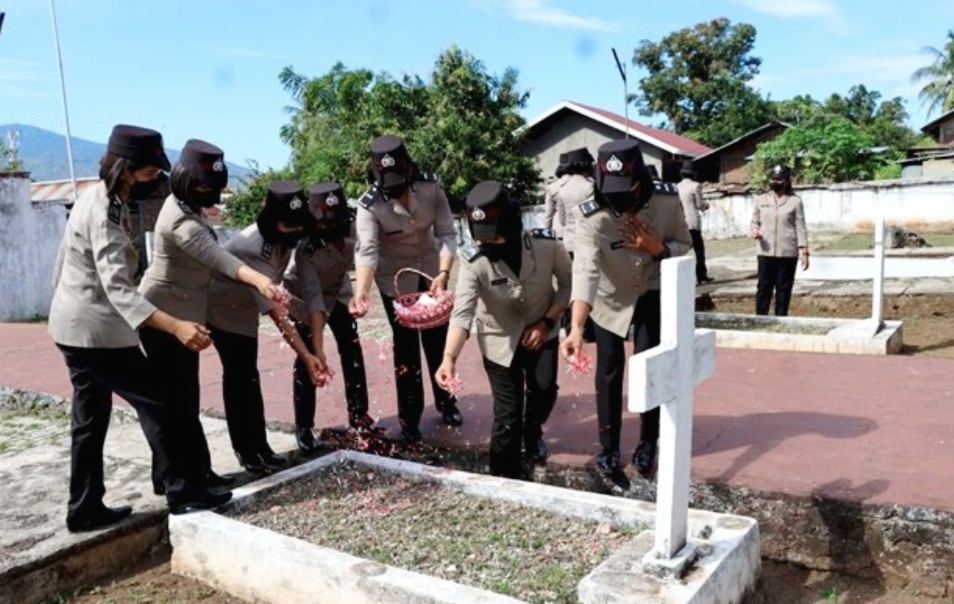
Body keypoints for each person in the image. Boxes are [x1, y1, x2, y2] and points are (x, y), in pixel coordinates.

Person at [48, 125, 232, 531]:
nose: (155, 177)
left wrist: (62, 313)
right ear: (127, 168)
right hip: (96, 332)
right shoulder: (106, 213)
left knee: (90, 418)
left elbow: (62, 267)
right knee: (160, 403)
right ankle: (184, 496)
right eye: (149, 170)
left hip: (71, 325)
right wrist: (177, 327)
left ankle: (84, 508)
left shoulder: (96, 197)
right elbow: (118, 289)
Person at [138, 139, 281, 493]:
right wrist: (260, 279)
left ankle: (184, 473)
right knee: (179, 401)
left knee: (183, 398)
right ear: (187, 180)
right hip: (164, 316)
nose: (211, 195)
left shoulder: (186, 205)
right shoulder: (179, 221)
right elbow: (219, 258)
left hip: (185, 312)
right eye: (205, 186)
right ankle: (189, 477)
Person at [559, 139, 691, 490]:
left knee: (650, 366)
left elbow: (687, 249)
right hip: (609, 297)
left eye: (626, 190)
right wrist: (575, 328)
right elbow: (585, 270)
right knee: (608, 372)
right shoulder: (590, 214)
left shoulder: (665, 200)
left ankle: (648, 441)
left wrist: (658, 248)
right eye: (610, 190)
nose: (618, 199)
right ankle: (608, 447)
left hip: (651, 289)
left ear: (639, 181)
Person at [435, 181, 571, 479]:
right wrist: (449, 359)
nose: (488, 243)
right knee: (507, 414)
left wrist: (548, 321)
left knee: (544, 391)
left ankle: (532, 431)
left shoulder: (546, 245)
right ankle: (502, 477)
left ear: (511, 225)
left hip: (541, 330)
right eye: (482, 237)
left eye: (494, 236)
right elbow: (462, 314)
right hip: (498, 340)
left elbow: (570, 284)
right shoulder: (474, 262)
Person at [206, 181, 326, 473]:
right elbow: (277, 314)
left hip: (246, 309)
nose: (296, 231)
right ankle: (246, 451)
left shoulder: (285, 238)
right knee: (238, 378)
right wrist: (307, 354)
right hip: (223, 311)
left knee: (250, 377)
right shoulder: (253, 248)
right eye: (290, 225)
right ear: (273, 222)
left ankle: (260, 446)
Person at [349, 135, 461, 443]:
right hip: (394, 282)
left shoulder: (431, 188)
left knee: (439, 342)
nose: (396, 191)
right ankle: (409, 417)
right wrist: (361, 291)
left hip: (432, 272)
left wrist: (443, 272)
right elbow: (367, 251)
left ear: (409, 168)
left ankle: (447, 401)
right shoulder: (368, 205)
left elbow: (448, 233)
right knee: (406, 350)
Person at [284, 182, 372, 454]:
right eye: (325, 224)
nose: (332, 229)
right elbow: (314, 299)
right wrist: (319, 351)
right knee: (308, 358)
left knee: (352, 349)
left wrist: (360, 295)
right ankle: (304, 427)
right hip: (304, 298)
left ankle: (359, 418)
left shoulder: (353, 227)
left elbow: (366, 256)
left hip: (339, 290)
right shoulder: (305, 248)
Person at [750, 164, 809, 316]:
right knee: (764, 287)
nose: (776, 182)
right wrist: (754, 230)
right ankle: (760, 319)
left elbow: (800, 227)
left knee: (783, 289)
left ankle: (781, 319)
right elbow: (755, 220)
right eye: (773, 179)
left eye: (780, 179)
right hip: (765, 250)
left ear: (787, 181)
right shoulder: (761, 199)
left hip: (787, 252)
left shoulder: (795, 201)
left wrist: (804, 252)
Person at [677, 160, 713, 285]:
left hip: (680, 222)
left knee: (681, 250)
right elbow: (699, 205)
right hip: (692, 221)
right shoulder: (696, 186)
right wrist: (706, 205)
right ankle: (700, 275)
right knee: (699, 250)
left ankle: (682, 276)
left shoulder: (677, 186)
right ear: (694, 174)